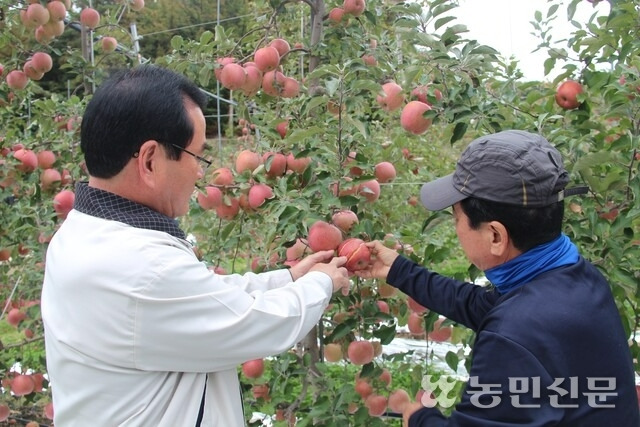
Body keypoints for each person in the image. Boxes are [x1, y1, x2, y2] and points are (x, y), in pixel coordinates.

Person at [41, 65, 350, 427]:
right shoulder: (142, 267)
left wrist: (288, 277)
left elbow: (204, 296)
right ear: (150, 160)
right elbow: (256, 325)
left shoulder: (87, 234)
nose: (202, 173)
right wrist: (322, 282)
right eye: (198, 156)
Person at [356, 130, 639, 426]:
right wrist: (397, 269)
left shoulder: (513, 338)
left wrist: (420, 418)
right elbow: (482, 305)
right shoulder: (576, 278)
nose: (456, 229)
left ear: (495, 235)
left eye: (456, 218)